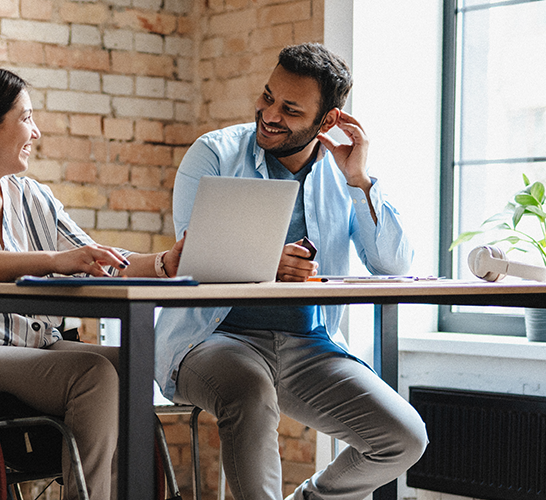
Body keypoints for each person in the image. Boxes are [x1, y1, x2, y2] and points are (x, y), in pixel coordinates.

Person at [154, 43, 428, 500]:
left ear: (327, 122)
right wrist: (266, 262)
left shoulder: (342, 176)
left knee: (402, 438)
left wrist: (359, 180)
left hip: (310, 348)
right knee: (249, 389)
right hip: (212, 340)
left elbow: (393, 265)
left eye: (290, 109)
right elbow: (193, 255)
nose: (269, 113)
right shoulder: (214, 154)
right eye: (267, 97)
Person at [0, 65, 183, 500]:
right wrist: (57, 260)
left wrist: (167, 261)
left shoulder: (34, 197)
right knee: (92, 373)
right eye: (26, 118)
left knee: (132, 362)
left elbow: (95, 260)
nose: (37, 131)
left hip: (33, 345)